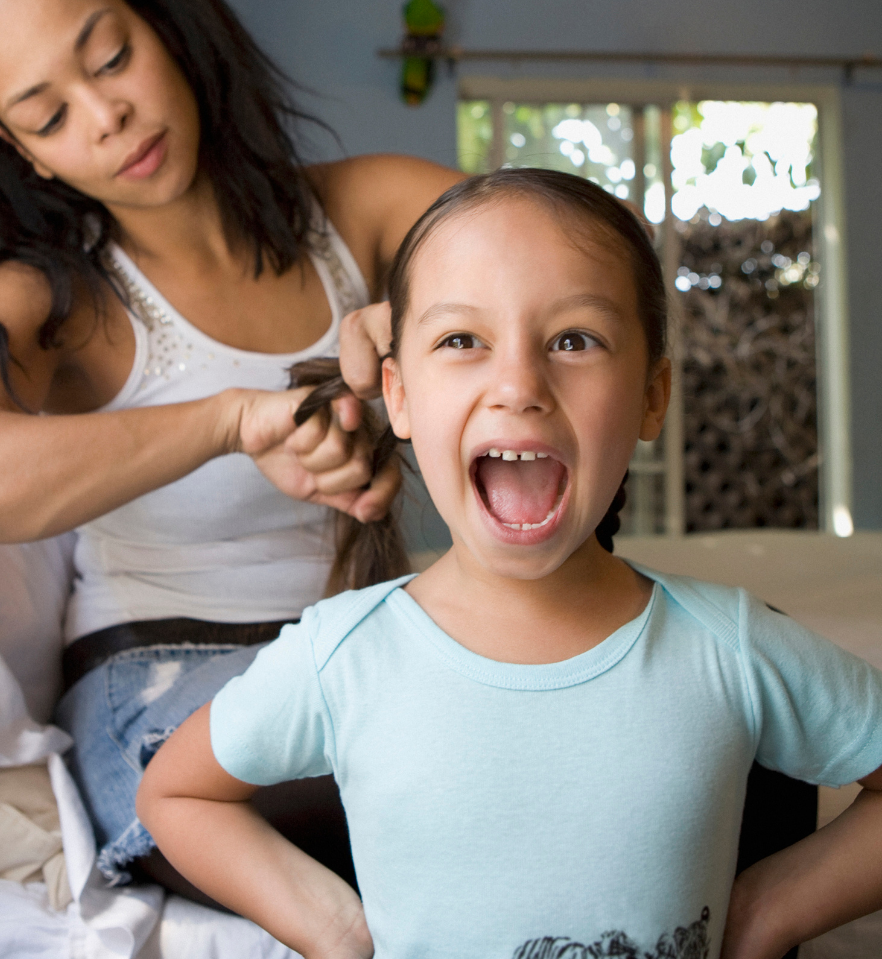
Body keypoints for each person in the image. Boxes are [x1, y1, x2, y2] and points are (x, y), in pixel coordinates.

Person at [137, 168, 882, 959]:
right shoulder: (343, 657)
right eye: (463, 341)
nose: (519, 385)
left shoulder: (731, 645)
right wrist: (336, 932)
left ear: (652, 396)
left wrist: (767, 913)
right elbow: (177, 793)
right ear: (401, 396)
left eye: (574, 340)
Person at [0, 0, 459, 895]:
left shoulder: (362, 211)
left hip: (363, 656)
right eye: (50, 115)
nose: (106, 117)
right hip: (162, 684)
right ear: (27, 154)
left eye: (110, 58)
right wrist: (230, 421)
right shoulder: (54, 298)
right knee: (427, 802)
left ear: (164, 26)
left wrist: (417, 324)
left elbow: (579, 260)